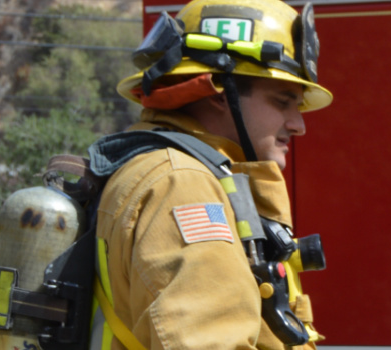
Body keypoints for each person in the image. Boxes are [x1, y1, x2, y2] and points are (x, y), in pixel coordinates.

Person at [91, 0, 330, 347]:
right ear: (218, 90)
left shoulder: (179, 172)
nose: (298, 125)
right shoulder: (182, 185)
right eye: (282, 101)